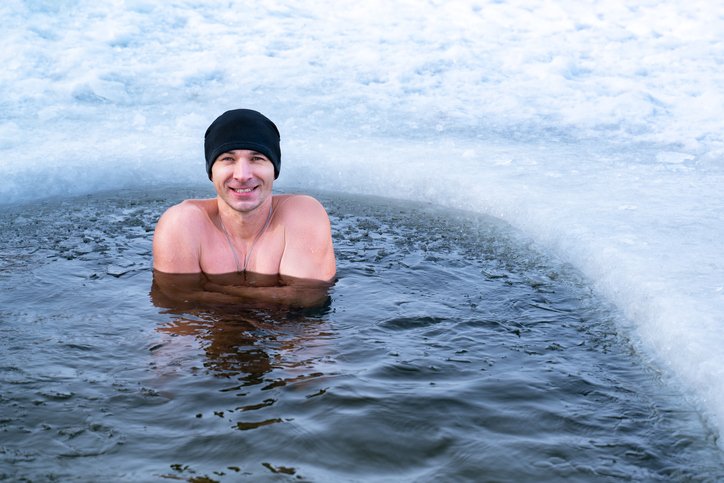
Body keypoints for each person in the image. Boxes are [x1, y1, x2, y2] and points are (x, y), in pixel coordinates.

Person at [152, 109, 336, 306]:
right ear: (211, 172)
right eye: (228, 159)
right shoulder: (182, 223)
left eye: (257, 158)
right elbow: (177, 300)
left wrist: (211, 290)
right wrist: (272, 297)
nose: (242, 175)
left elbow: (307, 299)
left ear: (274, 170)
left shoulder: (303, 214)